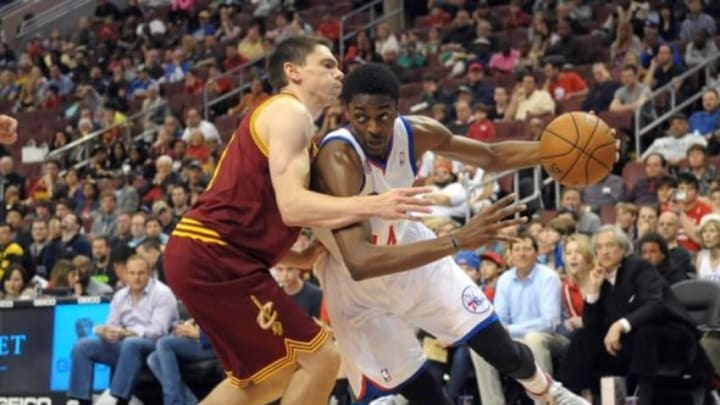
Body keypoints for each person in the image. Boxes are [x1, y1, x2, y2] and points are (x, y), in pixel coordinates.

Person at [162, 37, 431, 405]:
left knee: (273, 377)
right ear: (293, 72)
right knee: (323, 359)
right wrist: (372, 205)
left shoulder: (294, 126)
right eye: (327, 65)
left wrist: (299, 259)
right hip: (213, 256)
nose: (339, 73)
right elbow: (292, 207)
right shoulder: (289, 113)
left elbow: (251, 224)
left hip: (214, 255)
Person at [311, 63, 593, 405]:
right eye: (361, 116)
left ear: (398, 110)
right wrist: (458, 239)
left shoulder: (417, 133)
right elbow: (359, 261)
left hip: (409, 251)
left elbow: (490, 156)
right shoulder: (338, 158)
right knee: (425, 394)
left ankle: (549, 393)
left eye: (382, 116)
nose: (372, 127)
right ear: (346, 112)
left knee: (498, 345)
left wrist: (559, 150)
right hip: (357, 282)